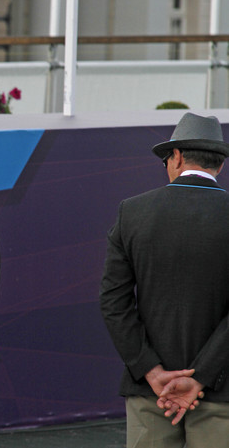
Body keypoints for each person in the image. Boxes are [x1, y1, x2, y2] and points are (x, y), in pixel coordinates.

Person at [100, 112, 229, 448]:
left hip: (150, 393)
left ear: (176, 157)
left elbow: (114, 302)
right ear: (220, 165)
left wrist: (152, 371)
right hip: (223, 390)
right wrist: (200, 377)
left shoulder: (133, 212)